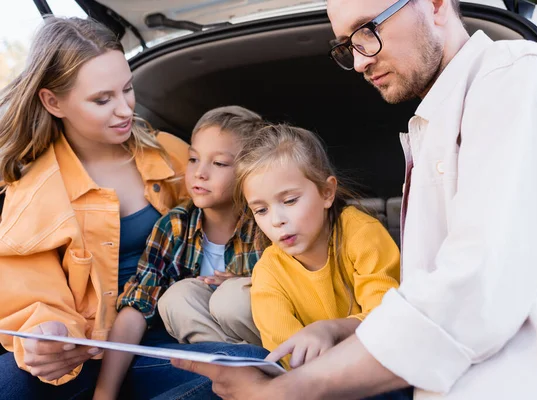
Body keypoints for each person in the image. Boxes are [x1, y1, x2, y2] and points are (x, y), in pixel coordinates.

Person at [170, 0, 537, 399]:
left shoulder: (519, 77)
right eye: (346, 45)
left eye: (367, 30)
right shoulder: (430, 128)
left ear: (433, 4)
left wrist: (288, 391)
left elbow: (472, 293)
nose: (358, 61)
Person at [0, 17, 266, 399]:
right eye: (102, 100)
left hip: (169, 341)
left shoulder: (172, 156)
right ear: (52, 101)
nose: (125, 109)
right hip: (85, 350)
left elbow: (241, 224)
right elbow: (30, 293)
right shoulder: (32, 190)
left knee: (244, 367)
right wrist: (48, 334)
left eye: (127, 89)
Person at [93, 106, 267, 399]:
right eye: (194, 159)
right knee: (177, 297)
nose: (200, 172)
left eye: (220, 164)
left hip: (269, 339)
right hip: (203, 353)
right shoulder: (174, 226)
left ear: (251, 170)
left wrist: (251, 283)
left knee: (233, 297)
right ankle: (231, 376)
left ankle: (269, 374)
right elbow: (137, 305)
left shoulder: (266, 224)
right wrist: (104, 392)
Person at [233, 124, 401, 371]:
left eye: (289, 201)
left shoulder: (362, 233)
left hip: (382, 369)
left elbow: (389, 320)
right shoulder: (268, 271)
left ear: (326, 192)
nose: (276, 219)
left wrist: (330, 330)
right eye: (261, 210)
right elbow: (288, 357)